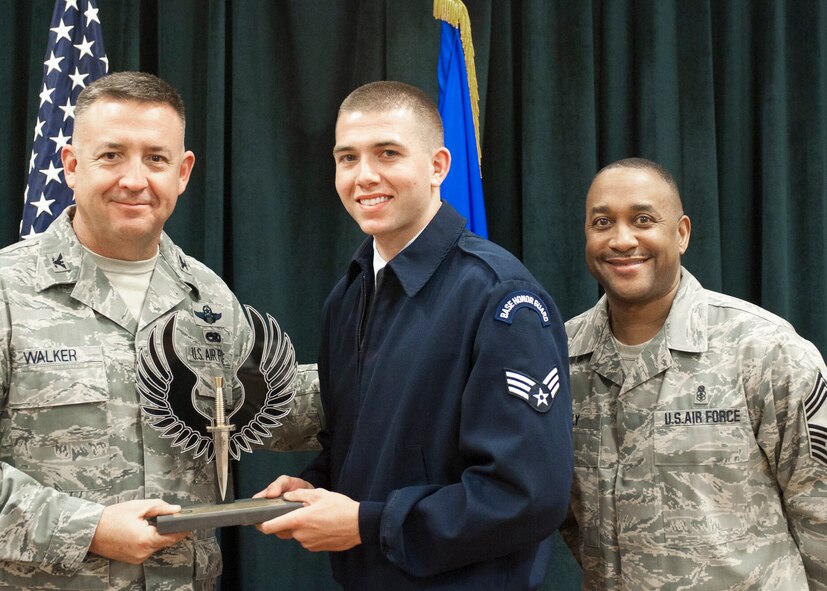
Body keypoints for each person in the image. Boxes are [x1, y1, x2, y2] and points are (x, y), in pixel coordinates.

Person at [0, 72, 320, 591]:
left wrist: (404, 372)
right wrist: (90, 530)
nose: (134, 178)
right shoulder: (7, 291)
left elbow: (261, 407)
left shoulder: (207, 296)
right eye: (110, 156)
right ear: (72, 165)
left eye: (155, 158)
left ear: (183, 171)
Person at [254, 81, 573, 590]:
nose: (365, 176)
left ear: (438, 166)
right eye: (347, 158)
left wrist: (364, 523)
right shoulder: (348, 297)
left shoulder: (499, 297)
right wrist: (316, 483)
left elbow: (527, 496)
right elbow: (369, 447)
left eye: (388, 154)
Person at [561, 157, 827, 590]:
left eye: (643, 219)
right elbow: (569, 518)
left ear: (681, 233)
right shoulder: (561, 358)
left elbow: (820, 510)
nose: (622, 239)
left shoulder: (763, 348)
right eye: (602, 222)